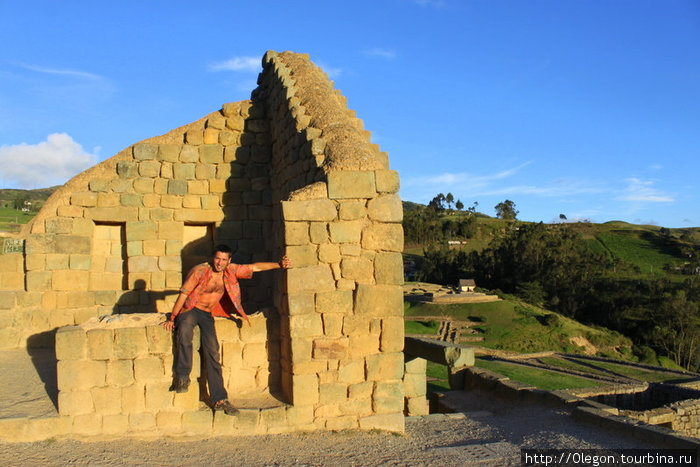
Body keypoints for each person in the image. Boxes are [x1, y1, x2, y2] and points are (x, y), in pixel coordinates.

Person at [162, 244, 291, 415]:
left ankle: (219, 399)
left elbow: (254, 267)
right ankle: (183, 377)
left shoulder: (230, 270)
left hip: (207, 314)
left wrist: (279, 265)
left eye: (224, 259)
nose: (220, 263)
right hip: (191, 309)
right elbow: (184, 294)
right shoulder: (199, 271)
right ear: (212, 258)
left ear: (228, 260)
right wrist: (172, 317)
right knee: (184, 333)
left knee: (213, 352)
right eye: (217, 258)